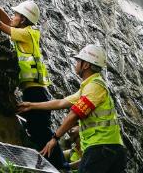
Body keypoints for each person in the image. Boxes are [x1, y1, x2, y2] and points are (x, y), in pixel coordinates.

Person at [0, 0, 67, 170]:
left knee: (40, 131)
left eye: (17, 15)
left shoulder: (25, 34)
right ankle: (54, 165)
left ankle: (61, 166)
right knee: (37, 129)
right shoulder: (28, 31)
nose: (13, 16)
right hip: (34, 89)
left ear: (23, 20)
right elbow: (8, 21)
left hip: (35, 92)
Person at [18, 44, 126, 173]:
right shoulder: (88, 87)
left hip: (101, 148)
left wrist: (54, 138)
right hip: (109, 148)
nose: (76, 64)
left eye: (78, 61)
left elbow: (74, 115)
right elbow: (60, 103)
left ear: (86, 65)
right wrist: (31, 105)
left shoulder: (94, 87)